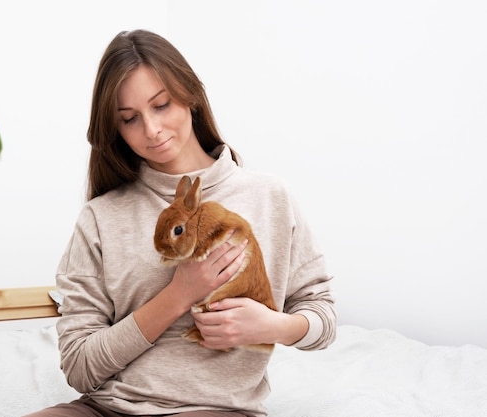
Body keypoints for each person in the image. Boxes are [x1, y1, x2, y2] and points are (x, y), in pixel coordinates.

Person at [24, 29, 336, 417]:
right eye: (129, 119)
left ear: (190, 95)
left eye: (161, 105)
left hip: (211, 409)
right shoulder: (101, 217)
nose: (151, 130)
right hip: (102, 409)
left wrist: (274, 327)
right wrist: (178, 295)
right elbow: (79, 367)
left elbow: (321, 316)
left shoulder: (269, 197)